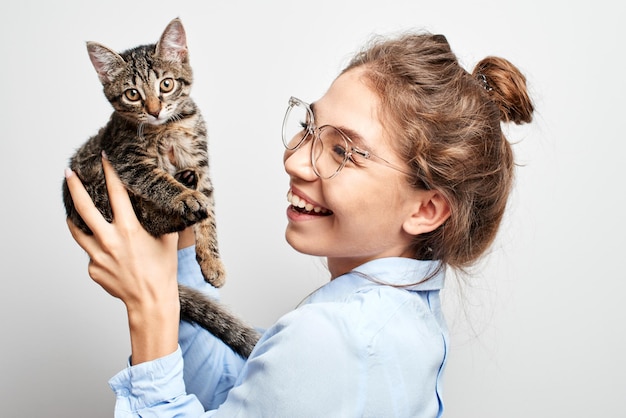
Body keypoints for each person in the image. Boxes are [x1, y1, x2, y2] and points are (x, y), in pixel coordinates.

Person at [65, 32, 533, 417]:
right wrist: (181, 255)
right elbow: (241, 398)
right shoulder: (393, 314)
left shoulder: (337, 339)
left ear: (426, 209)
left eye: (344, 151)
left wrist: (149, 308)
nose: (294, 160)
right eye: (309, 127)